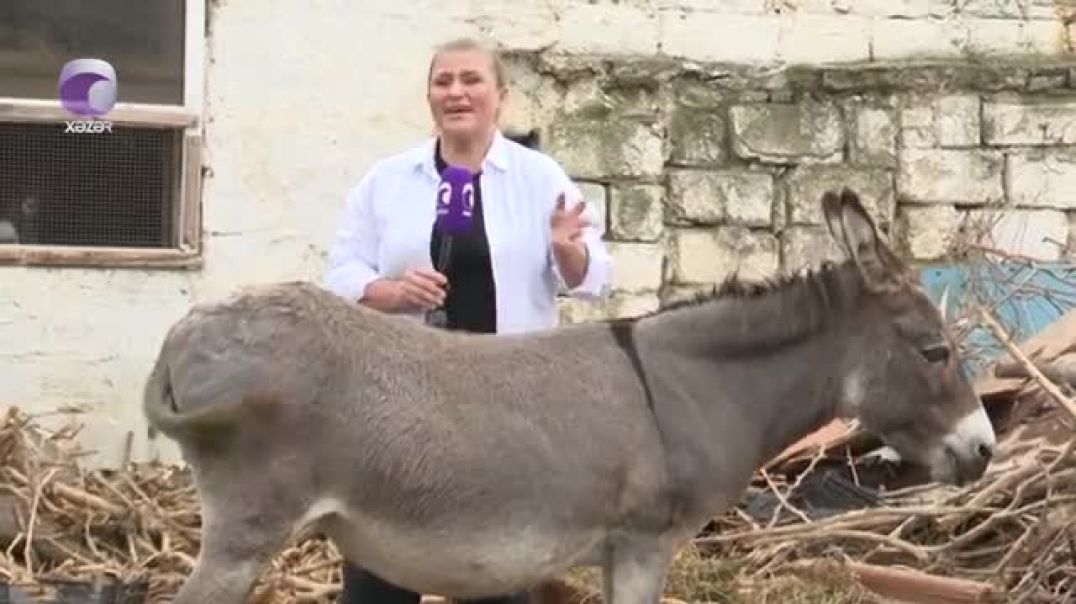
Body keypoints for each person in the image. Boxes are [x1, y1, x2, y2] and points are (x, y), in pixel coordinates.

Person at [322, 37, 613, 604]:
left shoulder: (538, 177)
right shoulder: (387, 180)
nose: (456, 92)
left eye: (471, 80)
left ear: (500, 96)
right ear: (430, 96)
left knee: (496, 574)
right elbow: (339, 273)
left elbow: (594, 277)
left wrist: (566, 250)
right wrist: (389, 289)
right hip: (399, 409)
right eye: (443, 81)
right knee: (380, 569)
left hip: (505, 412)